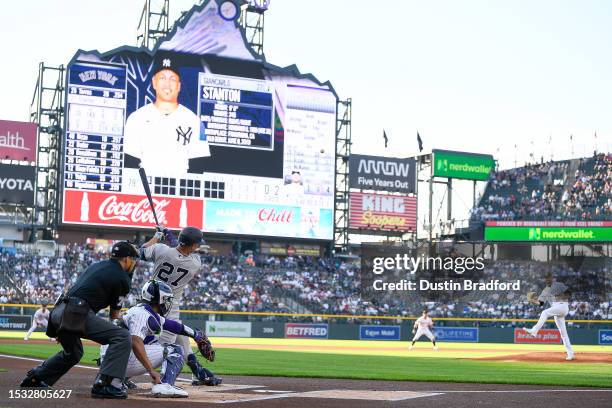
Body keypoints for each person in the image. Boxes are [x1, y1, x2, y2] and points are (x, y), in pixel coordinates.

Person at [20, 241, 138, 399]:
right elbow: (114, 315)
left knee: (74, 353)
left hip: (59, 311)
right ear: (126, 259)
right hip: (75, 313)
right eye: (134, 260)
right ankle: (106, 384)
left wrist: (61, 325)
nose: (134, 263)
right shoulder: (122, 277)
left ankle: (35, 378)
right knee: (122, 336)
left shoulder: (98, 265)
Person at [100, 280, 211, 398]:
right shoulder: (143, 314)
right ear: (159, 298)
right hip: (119, 361)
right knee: (175, 350)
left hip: (111, 362)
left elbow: (173, 326)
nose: (168, 303)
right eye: (167, 299)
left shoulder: (141, 311)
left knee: (152, 341)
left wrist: (195, 334)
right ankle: (165, 385)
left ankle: (120, 380)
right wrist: (151, 371)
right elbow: (135, 341)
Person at [141, 226, 222, 386]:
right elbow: (181, 248)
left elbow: (142, 251)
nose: (197, 247)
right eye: (196, 244)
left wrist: (157, 236)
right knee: (167, 347)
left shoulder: (161, 250)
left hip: (149, 301)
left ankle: (197, 371)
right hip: (170, 306)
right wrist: (169, 235)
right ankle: (164, 381)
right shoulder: (194, 263)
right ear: (193, 245)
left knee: (180, 337)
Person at [123, 55, 210, 176]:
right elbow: (130, 163)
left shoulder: (195, 122)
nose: (167, 84)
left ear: (179, 86)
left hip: (180, 190)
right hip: (144, 191)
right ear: (154, 82)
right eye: (162, 78)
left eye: (172, 79)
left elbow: (199, 165)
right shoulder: (136, 118)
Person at [523, 274, 574, 360]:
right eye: (546, 279)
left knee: (545, 312)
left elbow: (569, 293)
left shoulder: (558, 285)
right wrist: (532, 301)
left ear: (552, 279)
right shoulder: (545, 290)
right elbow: (540, 303)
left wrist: (560, 296)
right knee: (563, 333)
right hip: (556, 310)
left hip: (562, 306)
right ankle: (570, 354)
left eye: (549, 279)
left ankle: (534, 331)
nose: (547, 280)